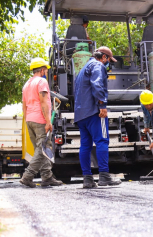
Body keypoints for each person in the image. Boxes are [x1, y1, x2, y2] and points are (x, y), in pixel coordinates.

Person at [74, 46, 122, 188]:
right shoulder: (97, 65)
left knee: (85, 146)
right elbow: (97, 84)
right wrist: (102, 105)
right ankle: (104, 177)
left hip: (81, 114)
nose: (108, 63)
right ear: (104, 57)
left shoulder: (82, 69)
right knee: (102, 141)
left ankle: (87, 179)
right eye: (108, 60)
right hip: (94, 112)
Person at [20, 58, 63, 188]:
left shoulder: (27, 84)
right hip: (40, 120)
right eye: (45, 70)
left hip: (29, 120)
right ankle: (27, 177)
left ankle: (47, 177)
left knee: (41, 149)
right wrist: (47, 121)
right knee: (42, 149)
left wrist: (27, 119)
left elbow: (24, 105)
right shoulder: (42, 81)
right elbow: (43, 102)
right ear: (43, 70)